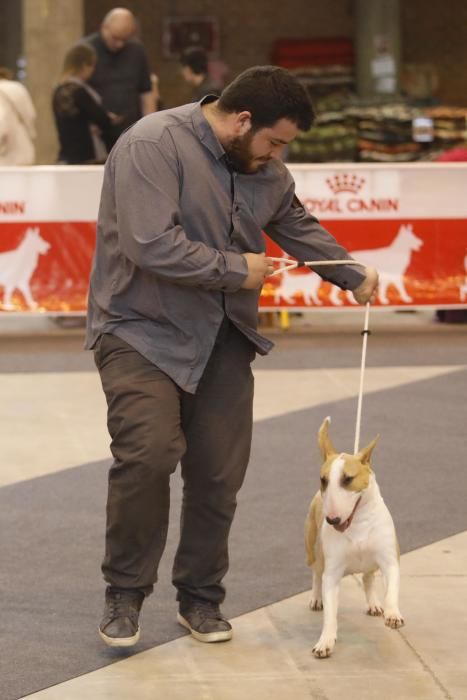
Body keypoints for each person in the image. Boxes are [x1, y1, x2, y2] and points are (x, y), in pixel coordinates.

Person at [86, 65, 378, 648]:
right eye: (275, 141)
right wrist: (236, 270)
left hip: (223, 335)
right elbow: (149, 244)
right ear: (243, 120)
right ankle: (125, 591)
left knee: (219, 475)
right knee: (149, 454)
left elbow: (293, 221)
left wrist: (350, 273)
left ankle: (200, 597)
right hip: (139, 329)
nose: (277, 155)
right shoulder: (152, 144)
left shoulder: (264, 167)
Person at [83, 7, 156, 147]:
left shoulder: (137, 51)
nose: (119, 44)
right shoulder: (87, 50)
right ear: (104, 28)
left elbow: (146, 94)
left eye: (125, 39)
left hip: (130, 132)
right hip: (96, 135)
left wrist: (150, 128)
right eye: (115, 38)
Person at [52, 44, 115, 164]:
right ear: (85, 65)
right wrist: (109, 119)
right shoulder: (79, 91)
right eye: (92, 66)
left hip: (66, 156)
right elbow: (101, 119)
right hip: (87, 155)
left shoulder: (58, 90)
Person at [0, 67, 36, 165]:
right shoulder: (19, 87)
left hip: (7, 151)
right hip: (25, 145)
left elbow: (2, 119)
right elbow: (31, 114)